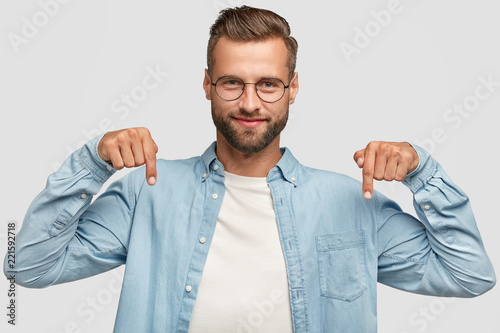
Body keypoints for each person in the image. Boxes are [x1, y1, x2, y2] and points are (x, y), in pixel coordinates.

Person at [4, 5, 495, 333]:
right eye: (232, 83)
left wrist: (421, 173)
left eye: (268, 85)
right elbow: (26, 268)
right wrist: (92, 163)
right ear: (206, 84)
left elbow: (470, 276)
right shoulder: (146, 192)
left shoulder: (350, 202)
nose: (250, 103)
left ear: (293, 87)